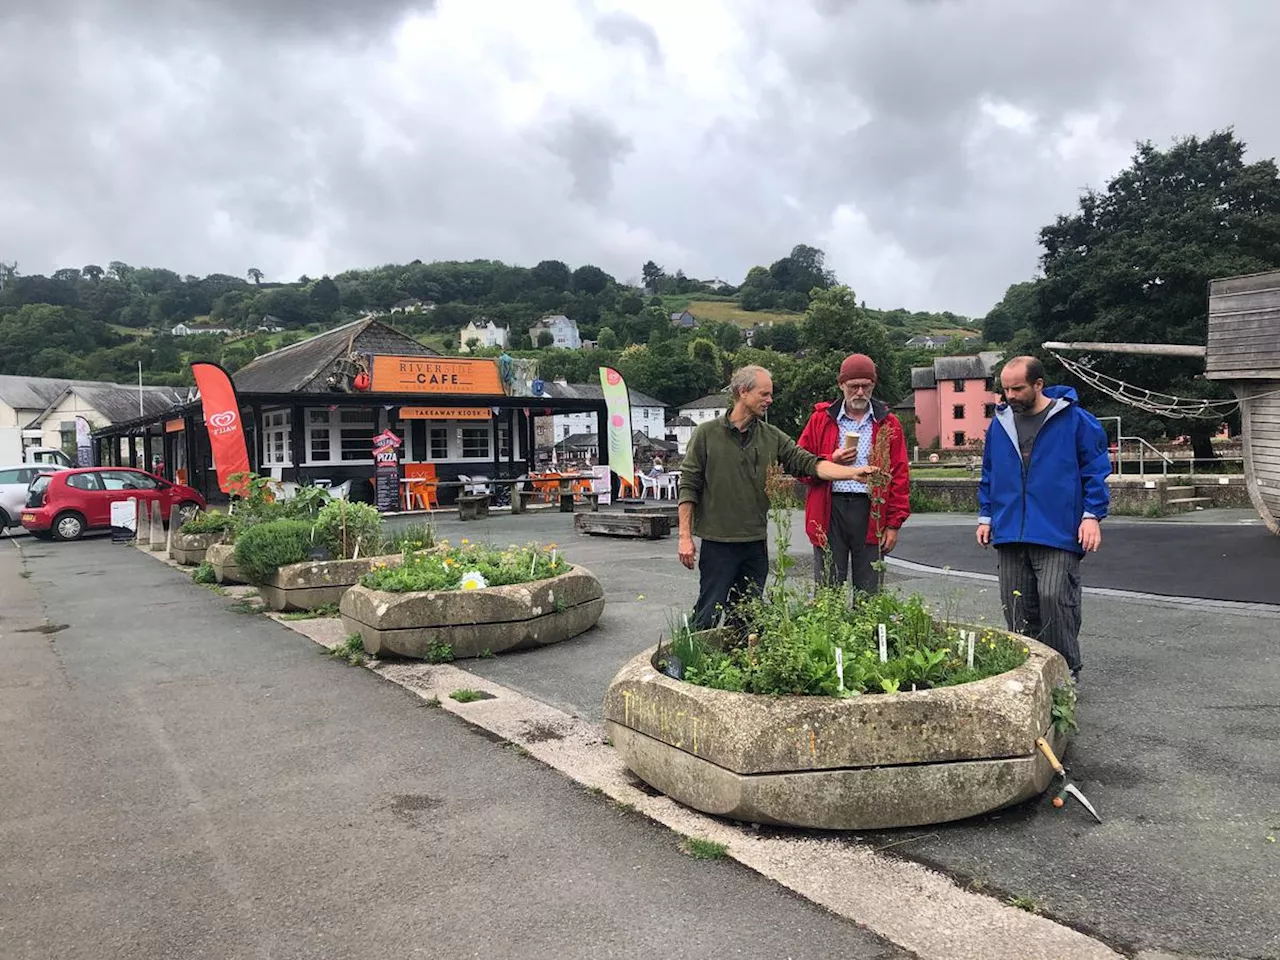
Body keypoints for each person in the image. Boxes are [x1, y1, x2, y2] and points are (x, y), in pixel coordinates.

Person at [677, 365, 874, 630]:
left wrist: (851, 473)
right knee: (708, 611)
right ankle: (689, 663)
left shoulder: (772, 437)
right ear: (742, 392)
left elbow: (809, 463)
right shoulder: (706, 434)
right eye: (765, 394)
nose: (770, 400)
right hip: (718, 542)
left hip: (755, 543)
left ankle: (739, 665)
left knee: (747, 615)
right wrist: (684, 537)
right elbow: (688, 486)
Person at [977, 356, 1111, 681]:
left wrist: (1091, 515)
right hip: (1010, 528)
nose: (1010, 395)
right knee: (1017, 605)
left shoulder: (1076, 420)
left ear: (1039, 384)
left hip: (1056, 527)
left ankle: (1065, 672)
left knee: (1055, 598)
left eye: (1018, 388)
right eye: (1006, 389)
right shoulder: (1000, 423)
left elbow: (1095, 469)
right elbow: (990, 472)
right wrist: (986, 516)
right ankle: (1029, 674)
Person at [797, 353, 911, 596]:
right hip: (830, 507)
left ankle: (868, 633)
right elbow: (800, 466)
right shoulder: (820, 420)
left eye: (865, 386)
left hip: (871, 509)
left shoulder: (889, 423)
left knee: (869, 591)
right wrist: (831, 459)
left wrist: (893, 524)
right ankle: (829, 632)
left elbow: (900, 476)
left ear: (873, 385)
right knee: (828, 590)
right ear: (841, 385)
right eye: (853, 386)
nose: (859, 392)